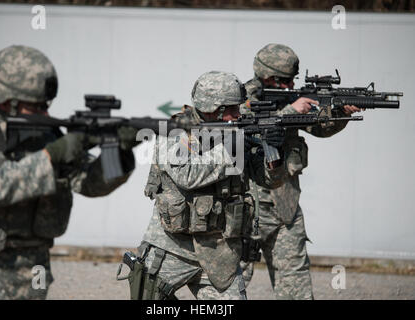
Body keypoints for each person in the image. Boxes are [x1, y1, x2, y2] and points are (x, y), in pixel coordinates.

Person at [0, 45, 136, 299]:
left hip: (33, 270)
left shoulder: (45, 135)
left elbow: (88, 184)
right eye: (35, 106)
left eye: (45, 105)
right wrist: (52, 156)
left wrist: (118, 153)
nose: (45, 113)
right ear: (7, 100)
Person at [135, 70, 287, 300]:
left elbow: (269, 181)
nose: (238, 114)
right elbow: (187, 175)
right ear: (216, 108)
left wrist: (273, 152)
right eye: (233, 109)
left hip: (220, 252)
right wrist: (231, 148)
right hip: (171, 248)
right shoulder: (175, 130)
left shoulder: (235, 134)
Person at [240, 43, 361, 300]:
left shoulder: (290, 97)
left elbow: (320, 128)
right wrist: (289, 111)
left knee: (296, 287)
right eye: (283, 81)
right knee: (230, 285)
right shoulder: (242, 98)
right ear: (266, 75)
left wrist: (340, 113)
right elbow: (244, 131)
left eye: (291, 80)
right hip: (245, 209)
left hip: (285, 206)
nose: (289, 87)